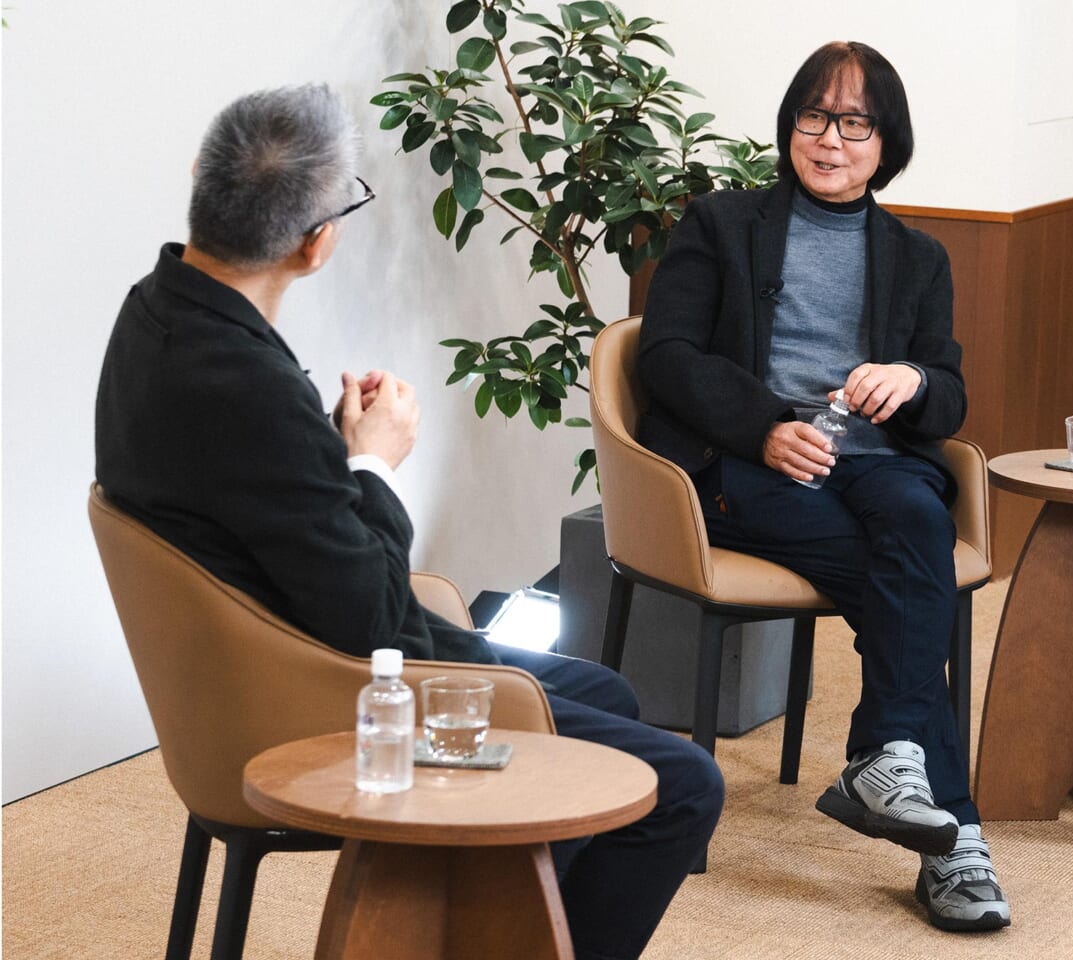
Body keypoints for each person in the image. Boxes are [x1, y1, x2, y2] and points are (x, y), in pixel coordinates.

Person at [94, 84, 722, 960]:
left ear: (201, 179)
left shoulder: (159, 311)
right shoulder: (245, 384)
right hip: (330, 690)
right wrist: (374, 463)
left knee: (607, 696)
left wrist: (333, 451)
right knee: (684, 786)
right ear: (317, 242)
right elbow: (374, 619)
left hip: (254, 661)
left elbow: (255, 498)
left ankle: (501, 934)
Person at [638, 41, 1011, 932]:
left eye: (854, 123)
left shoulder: (917, 257)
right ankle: (954, 839)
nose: (830, 139)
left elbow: (949, 389)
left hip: (874, 461)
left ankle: (889, 765)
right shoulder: (721, 223)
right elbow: (666, 354)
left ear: (887, 144)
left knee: (917, 521)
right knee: (910, 585)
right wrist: (765, 426)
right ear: (789, 126)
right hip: (747, 467)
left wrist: (912, 381)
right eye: (814, 116)